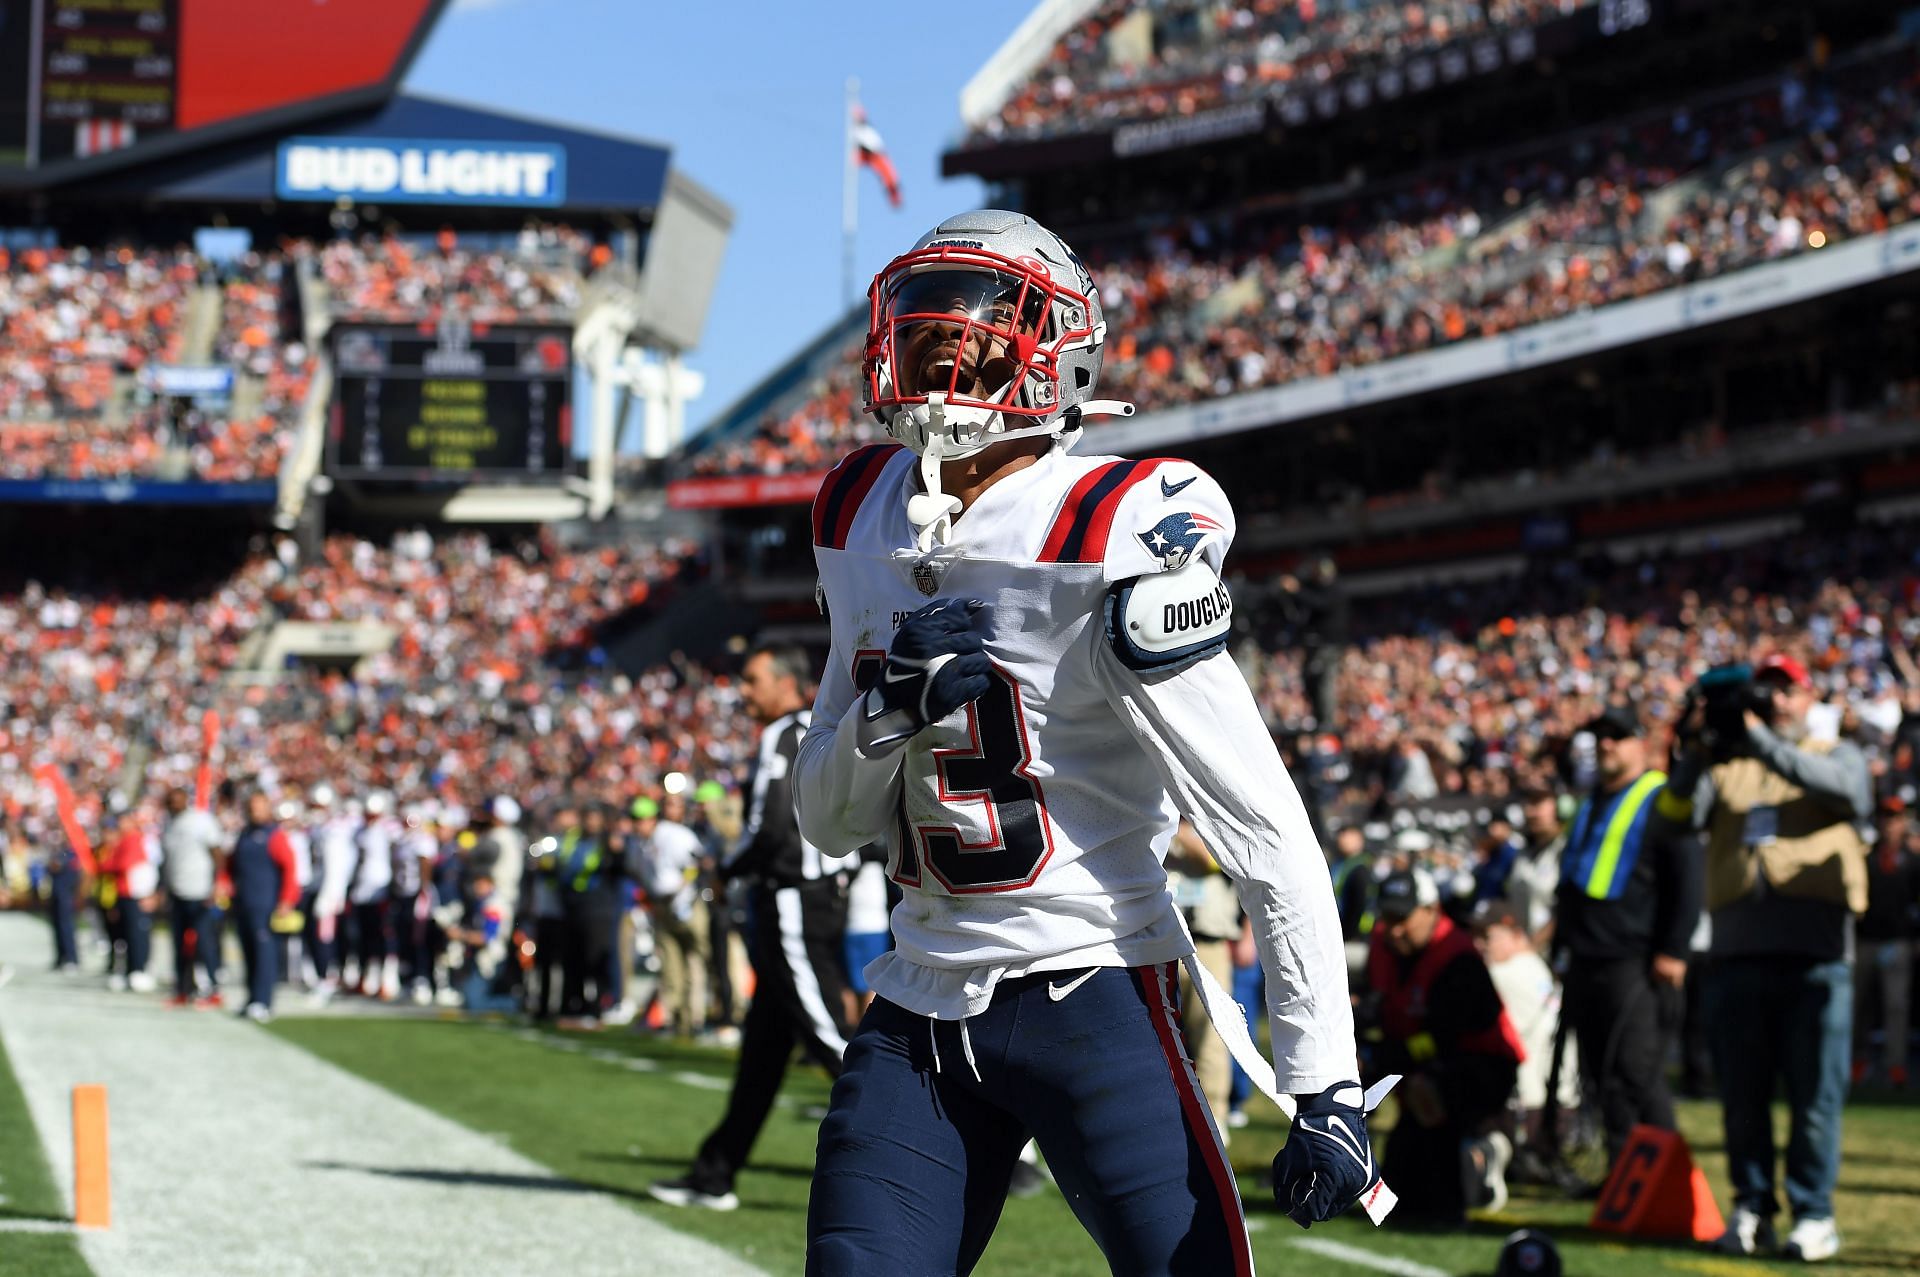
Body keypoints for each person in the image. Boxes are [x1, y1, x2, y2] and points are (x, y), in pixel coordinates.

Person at [793, 210, 1366, 1273]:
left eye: (976, 342)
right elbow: (826, 817)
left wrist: (1322, 1075)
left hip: (1089, 994)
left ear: (1057, 355)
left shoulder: (1113, 522)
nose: (941, 362)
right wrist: (886, 717)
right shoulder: (858, 508)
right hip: (917, 1004)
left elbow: (1262, 827)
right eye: (922, 336)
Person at [1671, 654, 1873, 1263]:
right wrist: (1694, 748)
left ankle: (1814, 1214)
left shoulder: (1836, 753)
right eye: (1767, 692)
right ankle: (1752, 1206)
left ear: (1809, 697)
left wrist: (1758, 738)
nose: (1776, 702)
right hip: (1736, 951)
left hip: (1816, 952)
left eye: (1787, 691)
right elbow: (1674, 816)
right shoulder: (1725, 763)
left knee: (1816, 1096)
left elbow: (1848, 794)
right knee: (1743, 1094)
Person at [651, 644, 857, 1213]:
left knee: (830, 1037)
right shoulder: (823, 725)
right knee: (764, 1053)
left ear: (788, 684)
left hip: (791, 896)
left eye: (752, 680)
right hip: (817, 891)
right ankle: (714, 1171)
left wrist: (725, 869)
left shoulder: (781, 736)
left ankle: (971, 1144)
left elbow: (767, 830)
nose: (743, 692)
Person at [1553, 703, 1700, 1167]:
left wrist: (1673, 949)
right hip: (1587, 958)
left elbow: (1688, 877)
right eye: (1601, 737)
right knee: (1600, 1076)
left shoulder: (1660, 797)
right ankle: (1623, 1181)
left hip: (1634, 962)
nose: (1606, 744)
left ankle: (1664, 1181)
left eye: (1618, 735)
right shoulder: (1593, 799)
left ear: (1645, 744)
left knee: (1635, 1073)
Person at [1365, 869, 1524, 1224]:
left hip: (1478, 1065)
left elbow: (1442, 1037)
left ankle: (1477, 1157)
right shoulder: (1388, 947)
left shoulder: (1457, 959)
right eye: (1387, 918)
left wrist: (1388, 1059)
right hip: (1419, 1057)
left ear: (1430, 910)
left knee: (1429, 1108)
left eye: (1402, 919)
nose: (1394, 929)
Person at [631, 794, 711, 1038]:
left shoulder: (673, 835)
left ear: (652, 818)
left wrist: (680, 892)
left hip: (686, 904)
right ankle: (674, 1019)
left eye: (641, 819)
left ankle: (694, 1019)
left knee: (694, 963)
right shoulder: (641, 843)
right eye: (634, 820)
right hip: (663, 907)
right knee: (670, 966)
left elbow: (696, 863)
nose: (637, 824)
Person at [220, 790, 301, 1023]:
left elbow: (290, 869)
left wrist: (287, 900)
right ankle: (251, 997)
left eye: (258, 806)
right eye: (251, 806)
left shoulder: (275, 836)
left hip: (265, 906)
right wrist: (225, 885)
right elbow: (231, 865)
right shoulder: (244, 834)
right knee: (248, 954)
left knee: (265, 955)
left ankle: (263, 1001)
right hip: (243, 904)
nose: (254, 811)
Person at [1857, 797, 1917, 1086]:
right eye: (1884, 818)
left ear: (1903, 822)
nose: (1889, 825)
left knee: (1896, 1006)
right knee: (1860, 1006)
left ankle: (1896, 1065)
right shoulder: (1866, 857)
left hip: (1898, 942)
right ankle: (1858, 1061)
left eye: (1894, 818)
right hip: (1866, 940)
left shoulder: (1912, 861)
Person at [160, 787, 223, 1004]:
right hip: (177, 892)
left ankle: (213, 988)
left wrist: (217, 884)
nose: (173, 805)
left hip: (200, 891)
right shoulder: (168, 825)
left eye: (176, 800)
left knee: (204, 943)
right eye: (170, 801)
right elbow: (167, 861)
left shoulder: (200, 821)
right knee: (179, 945)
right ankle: (183, 989)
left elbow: (217, 853)